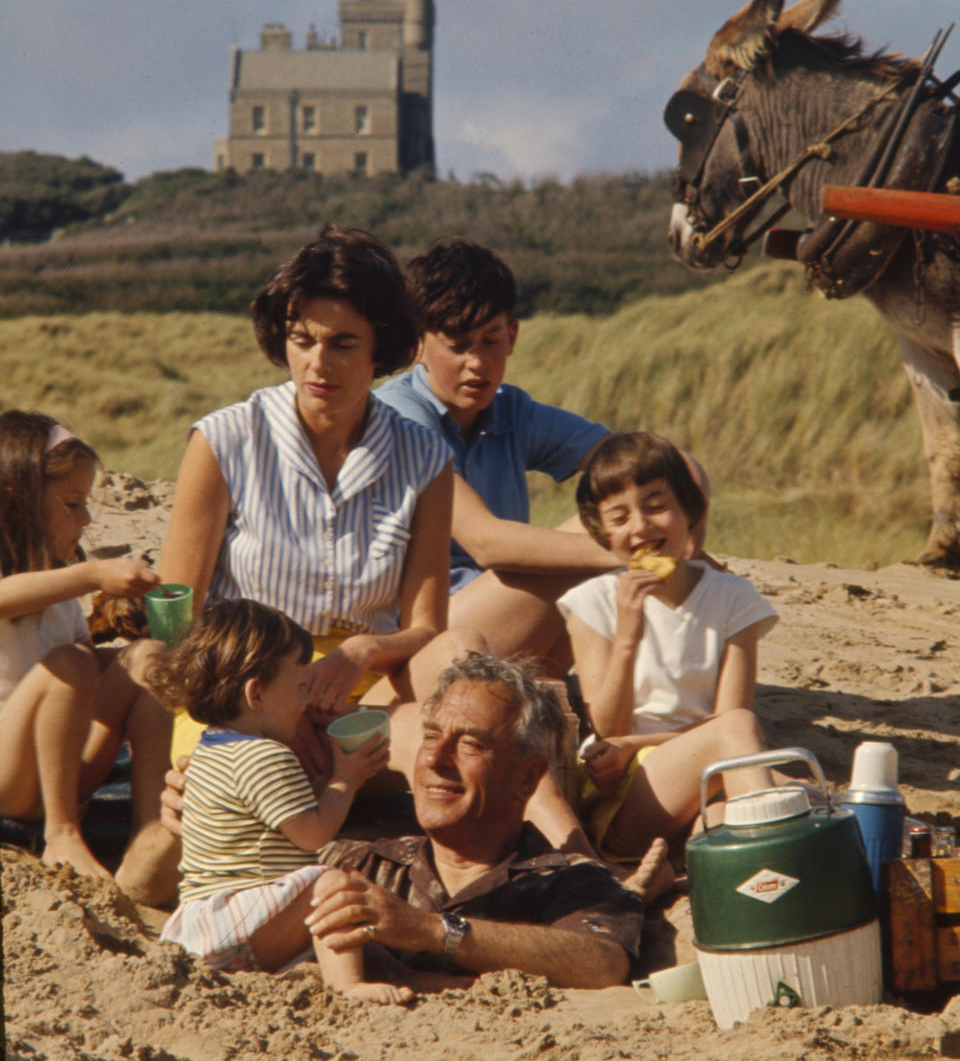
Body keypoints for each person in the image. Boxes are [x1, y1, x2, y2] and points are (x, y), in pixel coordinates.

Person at [158, 225, 474, 761]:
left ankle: (568, 842)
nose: (317, 364)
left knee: (463, 662)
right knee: (259, 769)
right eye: (302, 341)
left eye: (342, 344)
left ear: (382, 348)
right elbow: (173, 618)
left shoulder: (424, 458)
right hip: (238, 690)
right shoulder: (225, 439)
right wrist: (269, 701)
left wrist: (365, 649)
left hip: (365, 691)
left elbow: (426, 629)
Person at [377, 239, 710, 674]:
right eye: (458, 346)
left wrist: (684, 541)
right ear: (416, 346)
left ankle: (555, 696)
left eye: (490, 340)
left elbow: (655, 463)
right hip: (424, 640)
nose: (477, 363)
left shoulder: (511, 409)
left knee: (674, 472)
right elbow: (487, 541)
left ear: (512, 336)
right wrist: (641, 551)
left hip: (503, 622)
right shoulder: (398, 415)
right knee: (603, 553)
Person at [305, 653, 646, 991]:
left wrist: (432, 931)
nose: (436, 759)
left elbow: (604, 962)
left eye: (470, 744)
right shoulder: (360, 865)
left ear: (526, 779)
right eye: (431, 736)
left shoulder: (571, 882)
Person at [152, 599, 412, 1004]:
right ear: (256, 694)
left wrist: (328, 781)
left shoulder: (211, 747)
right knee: (333, 886)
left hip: (207, 925)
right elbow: (313, 834)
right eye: (300, 687)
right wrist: (347, 778)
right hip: (240, 928)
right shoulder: (265, 755)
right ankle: (347, 986)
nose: (307, 700)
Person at [558, 431, 778, 866]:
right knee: (749, 759)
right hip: (628, 790)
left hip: (707, 773)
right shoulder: (593, 602)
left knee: (724, 819)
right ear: (602, 532)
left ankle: (754, 890)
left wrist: (633, 741)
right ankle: (784, 857)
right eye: (619, 518)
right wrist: (628, 635)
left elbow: (729, 716)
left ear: (688, 511)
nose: (641, 527)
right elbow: (608, 727)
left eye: (657, 506)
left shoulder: (733, 597)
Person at [0, 409, 175, 897]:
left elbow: (89, 675)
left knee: (148, 659)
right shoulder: (46, 579)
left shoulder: (56, 586)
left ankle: (151, 834)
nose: (86, 519)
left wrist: (139, 651)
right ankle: (61, 833)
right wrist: (91, 576)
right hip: (6, 779)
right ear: (17, 499)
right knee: (71, 665)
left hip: (58, 768)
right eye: (73, 504)